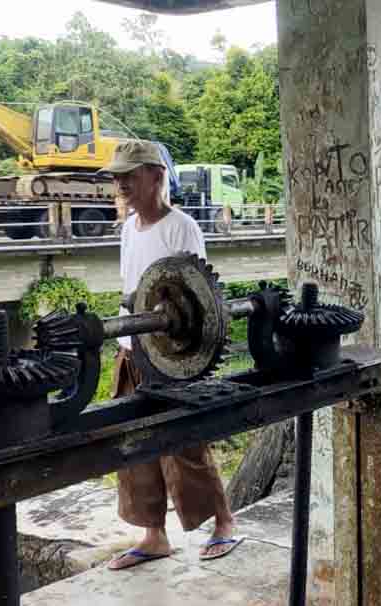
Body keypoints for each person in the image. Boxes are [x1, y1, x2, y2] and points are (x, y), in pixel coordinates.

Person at [100, 140, 242, 570]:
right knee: (134, 447)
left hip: (172, 358)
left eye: (130, 175)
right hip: (133, 351)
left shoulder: (181, 227)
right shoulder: (128, 227)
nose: (121, 184)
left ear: (156, 176)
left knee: (186, 446)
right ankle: (153, 535)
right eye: (118, 177)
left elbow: (199, 299)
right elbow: (132, 287)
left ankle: (223, 523)